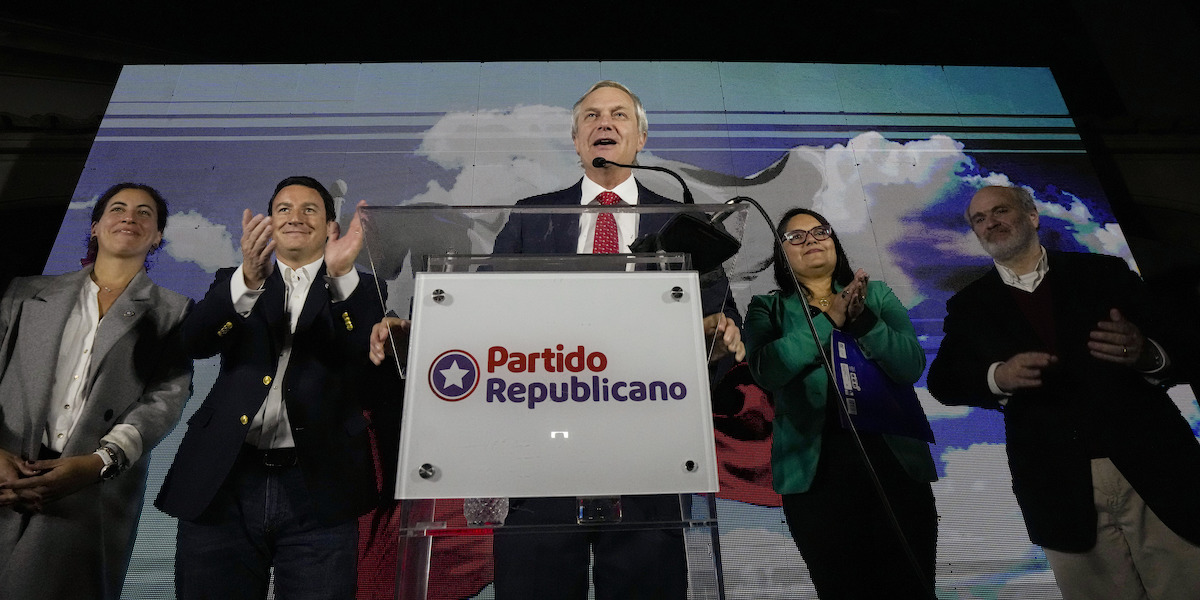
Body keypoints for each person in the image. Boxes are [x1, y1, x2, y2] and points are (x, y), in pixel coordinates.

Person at [489, 80, 744, 600]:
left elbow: (720, 323)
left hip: (647, 444)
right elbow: (487, 311)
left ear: (641, 137)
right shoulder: (532, 217)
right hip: (543, 441)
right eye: (591, 117)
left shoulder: (684, 223)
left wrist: (716, 345)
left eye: (619, 115)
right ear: (578, 141)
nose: (604, 124)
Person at [927, 185, 1200, 599]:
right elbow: (944, 382)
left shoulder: (1105, 273)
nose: (990, 223)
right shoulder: (969, 305)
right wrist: (999, 376)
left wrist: (1145, 352)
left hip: (1155, 466)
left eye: (1000, 210)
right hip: (1056, 487)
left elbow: (1185, 347)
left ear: (1032, 216)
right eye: (979, 219)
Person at [155, 176, 396, 600]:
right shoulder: (233, 280)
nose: (296, 217)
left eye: (310, 210)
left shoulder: (362, 288)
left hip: (320, 487)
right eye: (284, 208)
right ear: (268, 223)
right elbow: (195, 342)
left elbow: (365, 361)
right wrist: (248, 279)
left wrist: (339, 277)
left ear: (328, 227)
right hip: (223, 482)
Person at [0, 183, 193, 600]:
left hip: (90, 491)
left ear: (158, 235)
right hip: (3, 474)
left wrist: (98, 463)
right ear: (95, 226)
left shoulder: (175, 311)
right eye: (118, 208)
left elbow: (165, 398)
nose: (130, 217)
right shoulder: (23, 293)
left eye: (145, 213)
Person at [743, 207, 938, 598]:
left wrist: (864, 321)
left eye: (819, 231)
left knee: (911, 588)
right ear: (782, 256)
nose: (811, 239)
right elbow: (768, 370)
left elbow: (909, 366)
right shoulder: (769, 308)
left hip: (892, 463)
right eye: (795, 237)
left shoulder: (877, 295)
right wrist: (829, 318)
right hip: (817, 475)